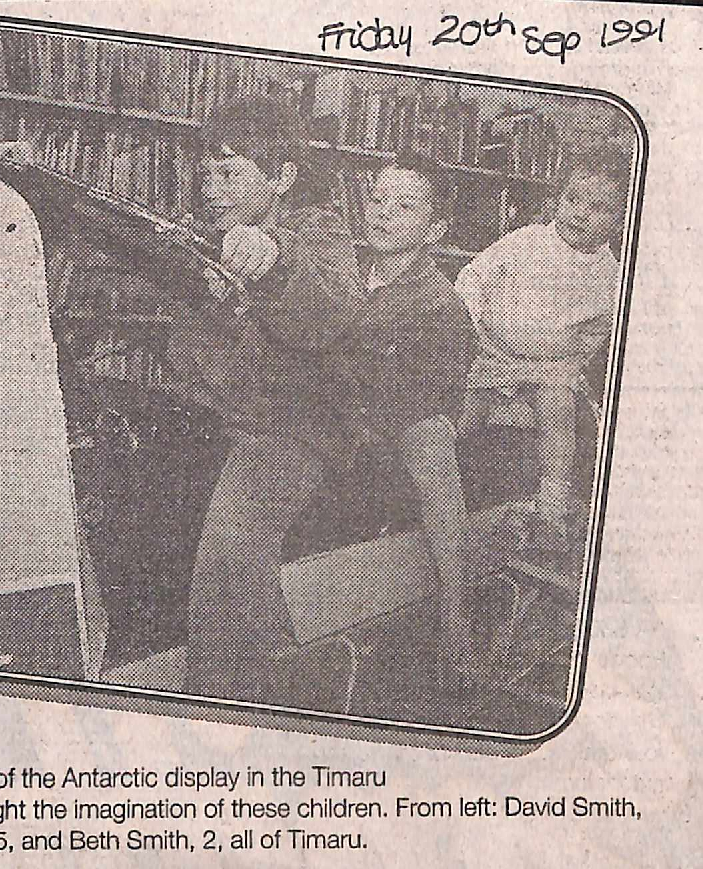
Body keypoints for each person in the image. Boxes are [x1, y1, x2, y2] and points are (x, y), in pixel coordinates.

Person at [175, 96, 367, 708]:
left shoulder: (320, 233)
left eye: (233, 175)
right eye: (209, 176)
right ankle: (302, 673)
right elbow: (214, 355)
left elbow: (335, 306)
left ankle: (217, 706)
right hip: (238, 421)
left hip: (303, 431)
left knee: (228, 556)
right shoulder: (218, 240)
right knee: (236, 568)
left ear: (282, 177)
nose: (215, 192)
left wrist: (275, 263)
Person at [343, 154, 478, 682]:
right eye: (377, 199)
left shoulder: (440, 303)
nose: (383, 213)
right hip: (317, 412)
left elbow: (425, 399)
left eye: (404, 206)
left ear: (434, 229)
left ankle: (455, 617)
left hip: (388, 424)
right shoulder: (340, 266)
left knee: (433, 441)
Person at [456, 154, 627, 547]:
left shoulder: (610, 277)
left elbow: (591, 339)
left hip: (552, 368)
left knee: (557, 407)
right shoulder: (528, 240)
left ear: (619, 222)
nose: (580, 214)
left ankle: (551, 508)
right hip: (492, 353)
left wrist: (560, 358)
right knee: (464, 417)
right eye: (573, 199)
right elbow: (473, 277)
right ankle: (438, 493)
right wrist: (477, 322)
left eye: (598, 208)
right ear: (558, 200)